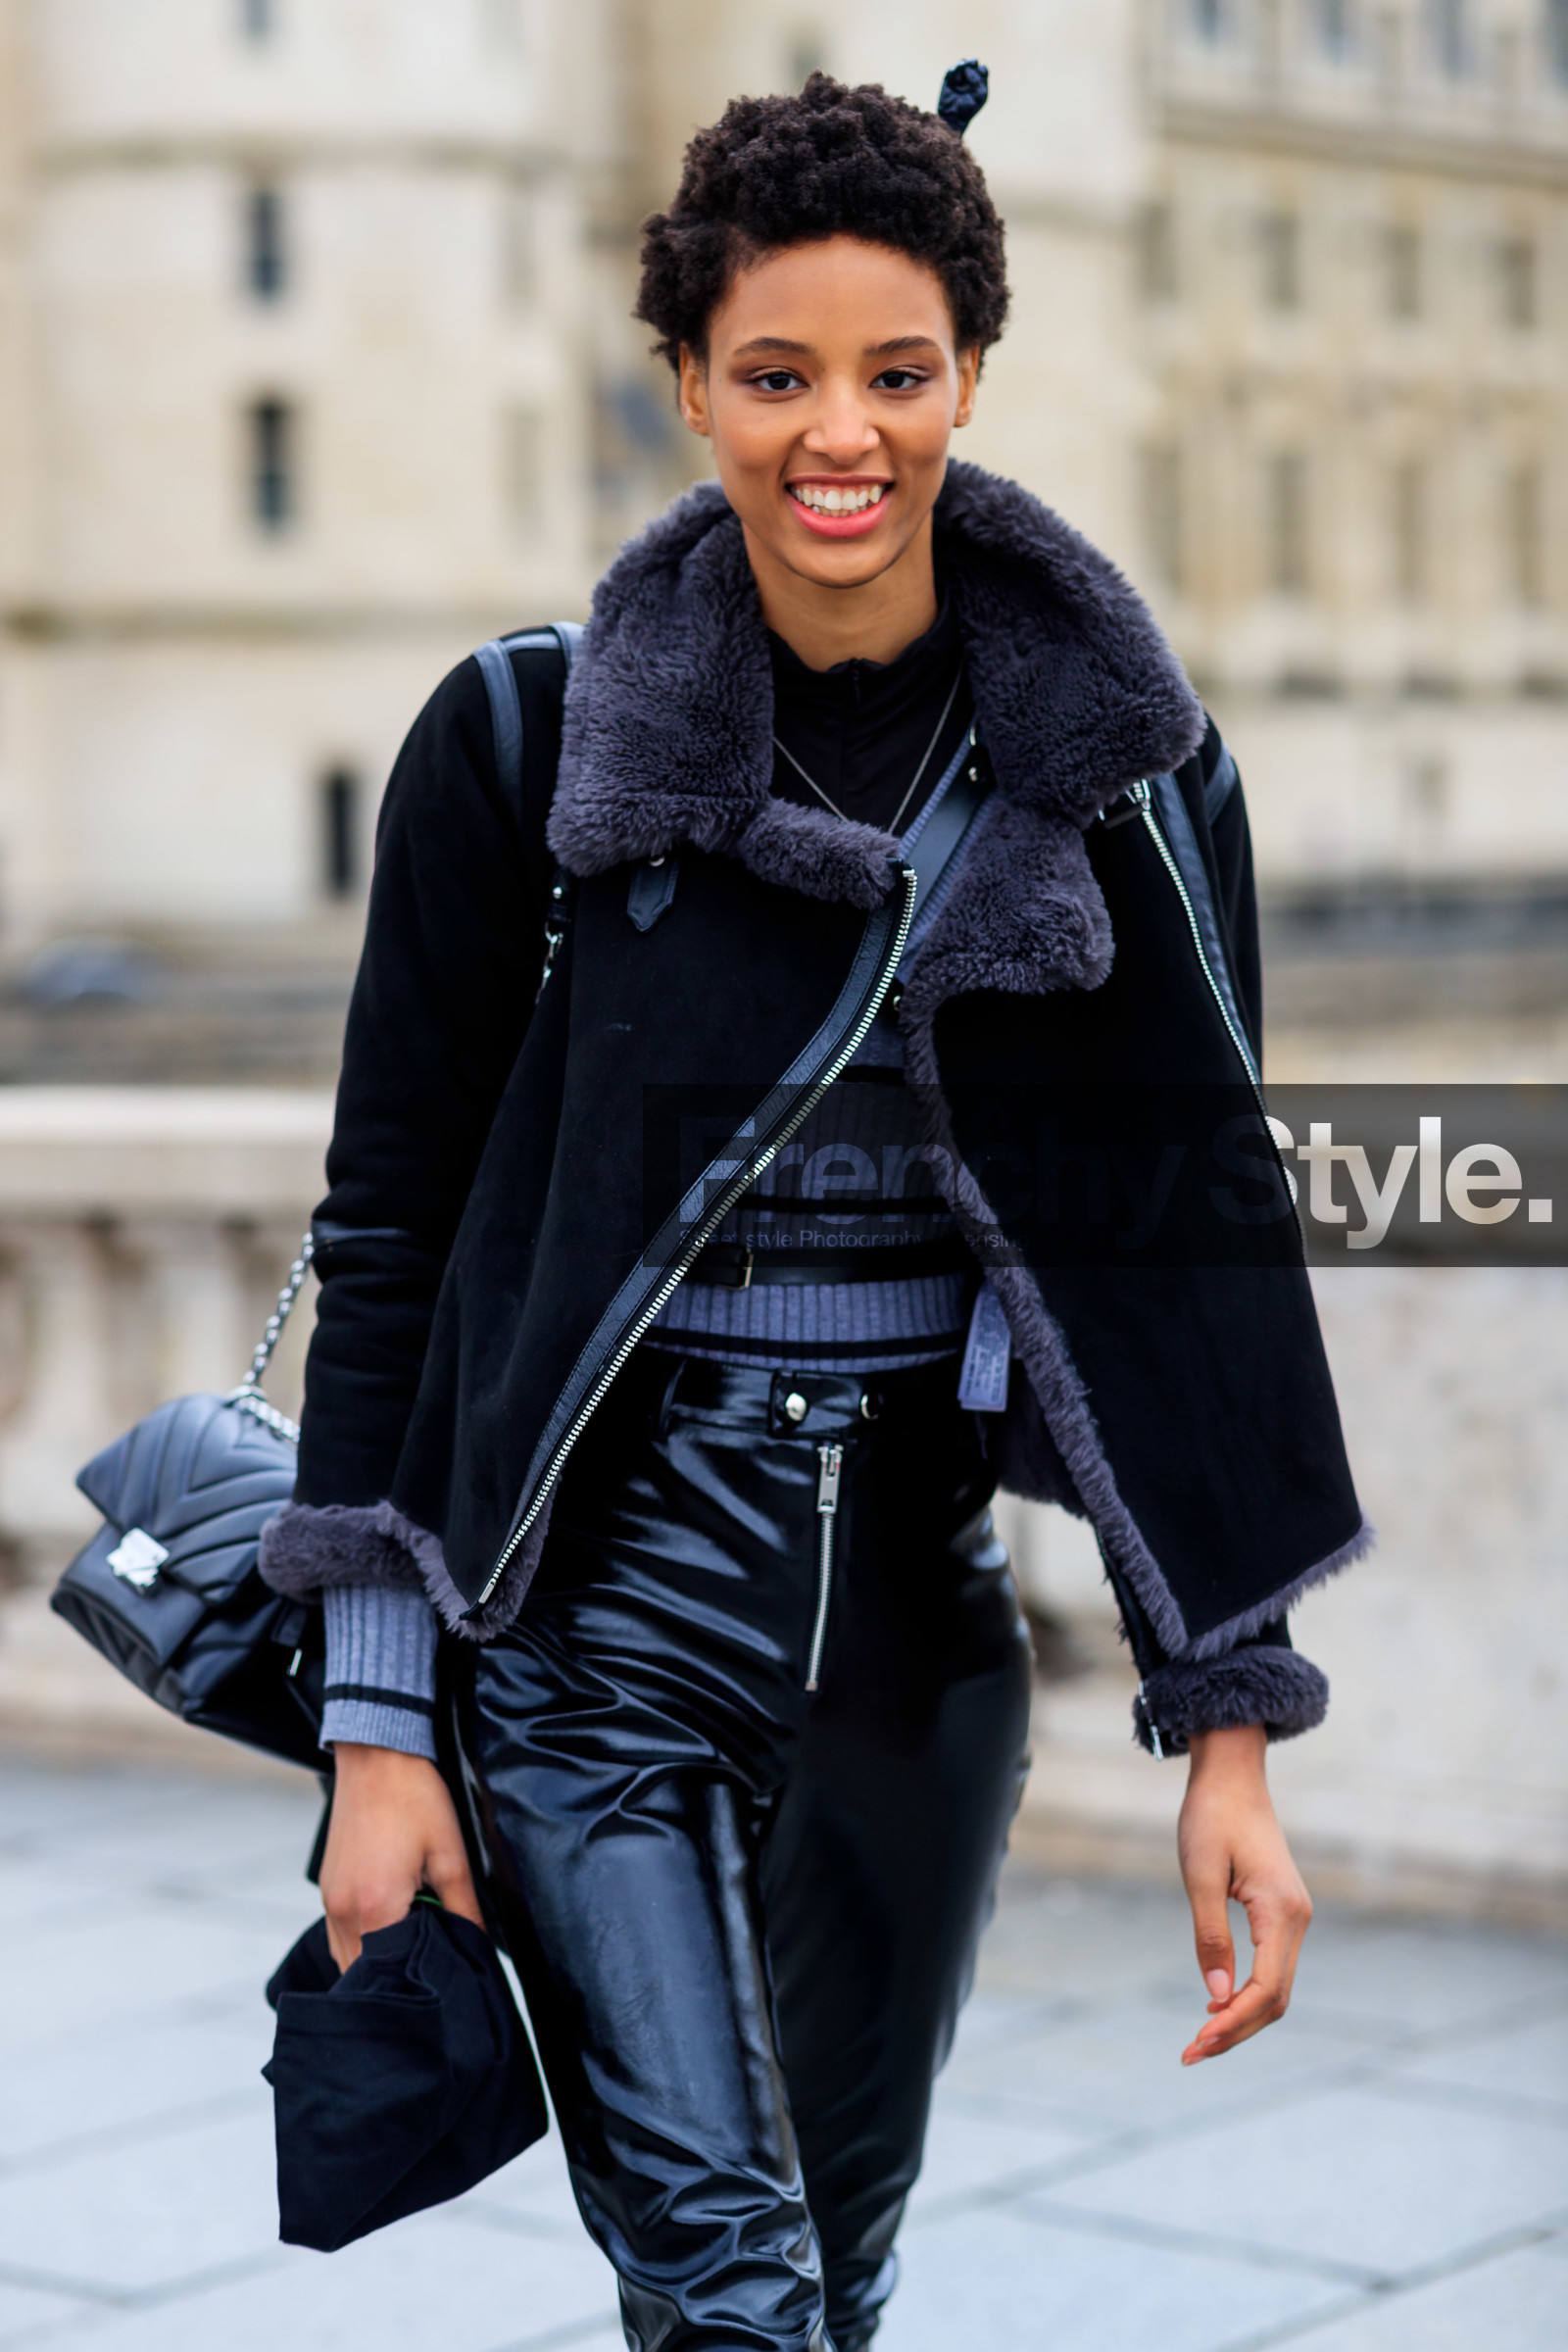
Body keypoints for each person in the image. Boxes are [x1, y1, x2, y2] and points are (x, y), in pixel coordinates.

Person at [261, 69, 1367, 2352]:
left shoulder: (1134, 776)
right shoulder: (515, 744)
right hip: (594, 1637)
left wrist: (1227, 1737)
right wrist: (382, 1736)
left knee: (823, 2292)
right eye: (772, 376)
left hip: (918, 1654)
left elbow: (1196, 1264)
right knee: (733, 2297)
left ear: (972, 367)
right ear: (685, 382)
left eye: (896, 371)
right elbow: (395, 1241)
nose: (835, 433)